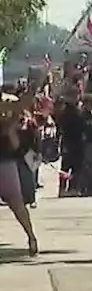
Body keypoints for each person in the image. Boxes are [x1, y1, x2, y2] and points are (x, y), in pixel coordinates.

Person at [0, 86, 41, 255]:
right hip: (5, 160)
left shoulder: (7, 103)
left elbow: (19, 106)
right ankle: (31, 237)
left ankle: (31, 236)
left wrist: (32, 89)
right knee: (17, 204)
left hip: (4, 160)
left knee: (17, 204)